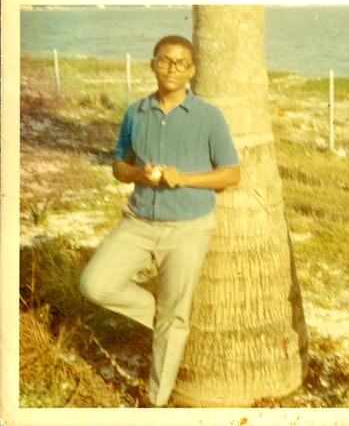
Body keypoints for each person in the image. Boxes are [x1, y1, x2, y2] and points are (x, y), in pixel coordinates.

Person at [80, 35, 240, 407]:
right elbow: (119, 166)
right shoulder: (136, 112)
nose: (172, 68)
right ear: (153, 64)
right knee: (95, 283)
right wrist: (139, 174)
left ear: (192, 71)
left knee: (173, 318)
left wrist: (184, 177)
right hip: (138, 222)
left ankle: (156, 402)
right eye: (165, 61)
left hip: (187, 229)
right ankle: (169, 322)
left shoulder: (209, 116)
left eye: (182, 63)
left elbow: (231, 174)